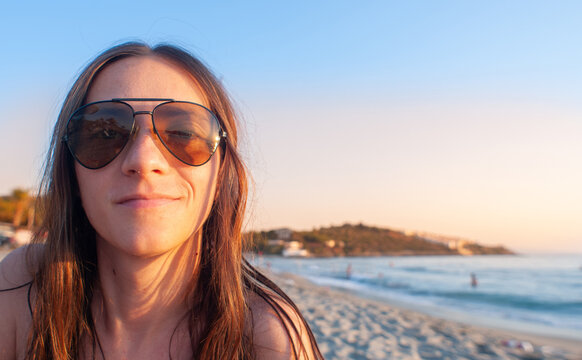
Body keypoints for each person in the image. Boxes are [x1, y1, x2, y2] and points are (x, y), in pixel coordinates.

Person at [0, 42, 323, 360]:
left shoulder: (268, 340)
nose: (143, 159)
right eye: (104, 133)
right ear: (70, 171)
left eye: (184, 133)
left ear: (222, 168)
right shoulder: (22, 288)